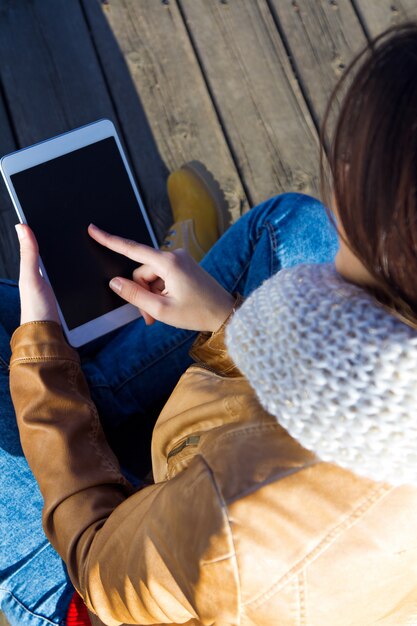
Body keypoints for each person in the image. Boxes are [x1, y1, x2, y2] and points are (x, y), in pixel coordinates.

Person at [2, 22, 417, 626]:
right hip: (199, 481)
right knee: (293, 226)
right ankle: (100, 379)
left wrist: (42, 356)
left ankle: (87, 381)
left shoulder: (245, 518)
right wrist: (226, 319)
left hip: (93, 580)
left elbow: (96, 560)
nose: (342, 173)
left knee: (28, 361)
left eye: (356, 166)